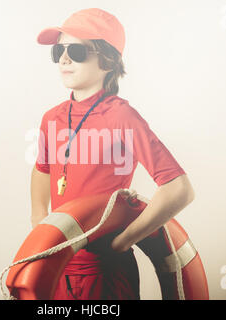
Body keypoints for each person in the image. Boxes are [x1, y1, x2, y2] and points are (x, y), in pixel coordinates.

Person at [31, 8, 195, 300]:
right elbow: (42, 169)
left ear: (107, 60)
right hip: (59, 264)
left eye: (77, 51)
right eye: (59, 51)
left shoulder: (121, 116)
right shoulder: (51, 118)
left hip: (106, 273)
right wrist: (39, 223)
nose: (65, 58)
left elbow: (178, 188)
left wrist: (124, 241)